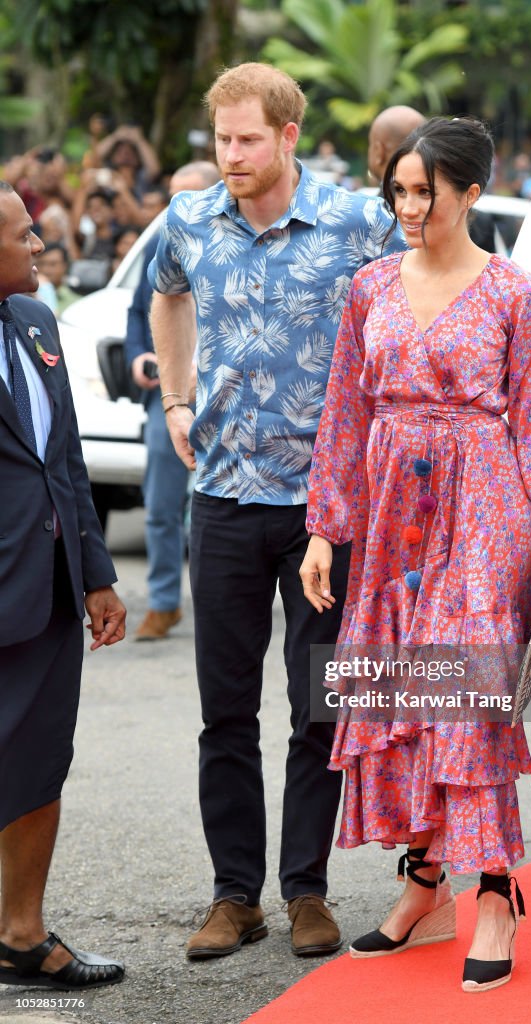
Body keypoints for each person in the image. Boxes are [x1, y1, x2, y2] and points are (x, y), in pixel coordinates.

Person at [148, 62, 405, 961]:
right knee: (225, 711)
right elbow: (166, 293)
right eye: (222, 140)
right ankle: (233, 896)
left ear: (290, 136)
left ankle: (306, 890)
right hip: (219, 499)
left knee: (319, 706)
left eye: (248, 139)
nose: (232, 156)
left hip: (323, 513)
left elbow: (405, 315)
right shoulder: (187, 219)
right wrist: (176, 400)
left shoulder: (356, 222)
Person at [301, 116, 531, 990]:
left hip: (484, 508)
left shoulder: (516, 293)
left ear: (472, 194)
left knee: (466, 692)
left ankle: (494, 892)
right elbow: (344, 410)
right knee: (401, 688)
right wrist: (323, 531)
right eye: (400, 192)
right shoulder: (370, 286)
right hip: (390, 510)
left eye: (428, 193)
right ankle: (423, 883)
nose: (410, 207)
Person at [0, 182, 126, 990]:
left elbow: (66, 460)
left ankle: (22, 933)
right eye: (25, 235)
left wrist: (99, 577)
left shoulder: (38, 322)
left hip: (46, 588)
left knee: (40, 762)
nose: (41, 245)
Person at [126, 161, 220, 642]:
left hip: (227, 406)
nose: (174, 210)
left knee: (228, 512)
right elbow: (138, 320)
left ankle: (225, 606)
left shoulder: (236, 251)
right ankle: (164, 603)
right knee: (160, 507)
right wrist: (142, 359)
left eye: (186, 198)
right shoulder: (161, 255)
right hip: (170, 400)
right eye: (170, 198)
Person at [368, 106, 496, 252]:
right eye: (400, 190)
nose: (407, 210)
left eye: (425, 192)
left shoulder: (503, 274)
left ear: (471, 195)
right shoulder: (374, 273)